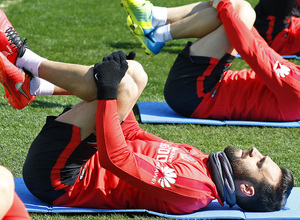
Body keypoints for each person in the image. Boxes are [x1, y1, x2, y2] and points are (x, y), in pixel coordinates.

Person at [0, 1, 294, 214]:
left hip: (59, 178)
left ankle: (23, 58)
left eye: (259, 163)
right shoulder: (204, 163)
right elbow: (133, 136)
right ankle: (33, 85)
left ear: (246, 189)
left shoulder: (193, 189)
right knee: (135, 74)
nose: (256, 152)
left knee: (122, 85)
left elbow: (115, 159)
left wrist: (109, 91)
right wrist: (118, 90)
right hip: (77, 158)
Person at [122, 0, 300, 122]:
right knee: (241, 10)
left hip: (195, 93)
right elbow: (264, 51)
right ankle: (156, 20)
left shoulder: (297, 89)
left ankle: (157, 30)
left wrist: (226, 8)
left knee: (240, 11)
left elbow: (252, 53)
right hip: (205, 85)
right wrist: (236, 18)